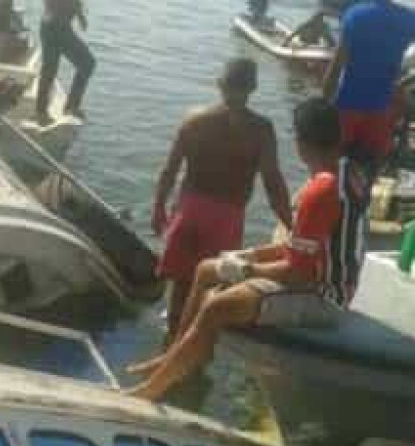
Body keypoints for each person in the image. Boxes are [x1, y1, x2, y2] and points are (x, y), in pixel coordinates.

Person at [129, 97, 370, 402]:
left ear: (301, 143)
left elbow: (297, 274)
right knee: (205, 269)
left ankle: (154, 388)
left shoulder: (320, 191)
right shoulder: (352, 171)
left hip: (323, 298)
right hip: (324, 279)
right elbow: (302, 247)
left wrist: (244, 270)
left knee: (216, 306)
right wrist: (250, 255)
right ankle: (173, 358)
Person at [152, 58, 292, 342]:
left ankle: (169, 344)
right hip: (226, 218)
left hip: (189, 212)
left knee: (180, 288)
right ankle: (191, 350)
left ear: (219, 84)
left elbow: (169, 170)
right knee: (209, 293)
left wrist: (158, 208)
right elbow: (273, 184)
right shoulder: (261, 130)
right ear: (253, 87)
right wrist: (292, 225)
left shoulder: (195, 121)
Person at [323, 0, 415, 162]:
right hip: (381, 109)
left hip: (348, 104)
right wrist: (403, 83)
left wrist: (324, 103)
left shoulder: (356, 15)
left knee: (331, 162)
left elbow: (336, 65)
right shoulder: (408, 19)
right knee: (371, 165)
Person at [35, 0, 95, 126]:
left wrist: (80, 15)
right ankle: (66, 107)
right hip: (56, 27)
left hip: (55, 26)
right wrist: (79, 15)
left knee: (50, 70)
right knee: (87, 63)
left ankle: (49, 110)